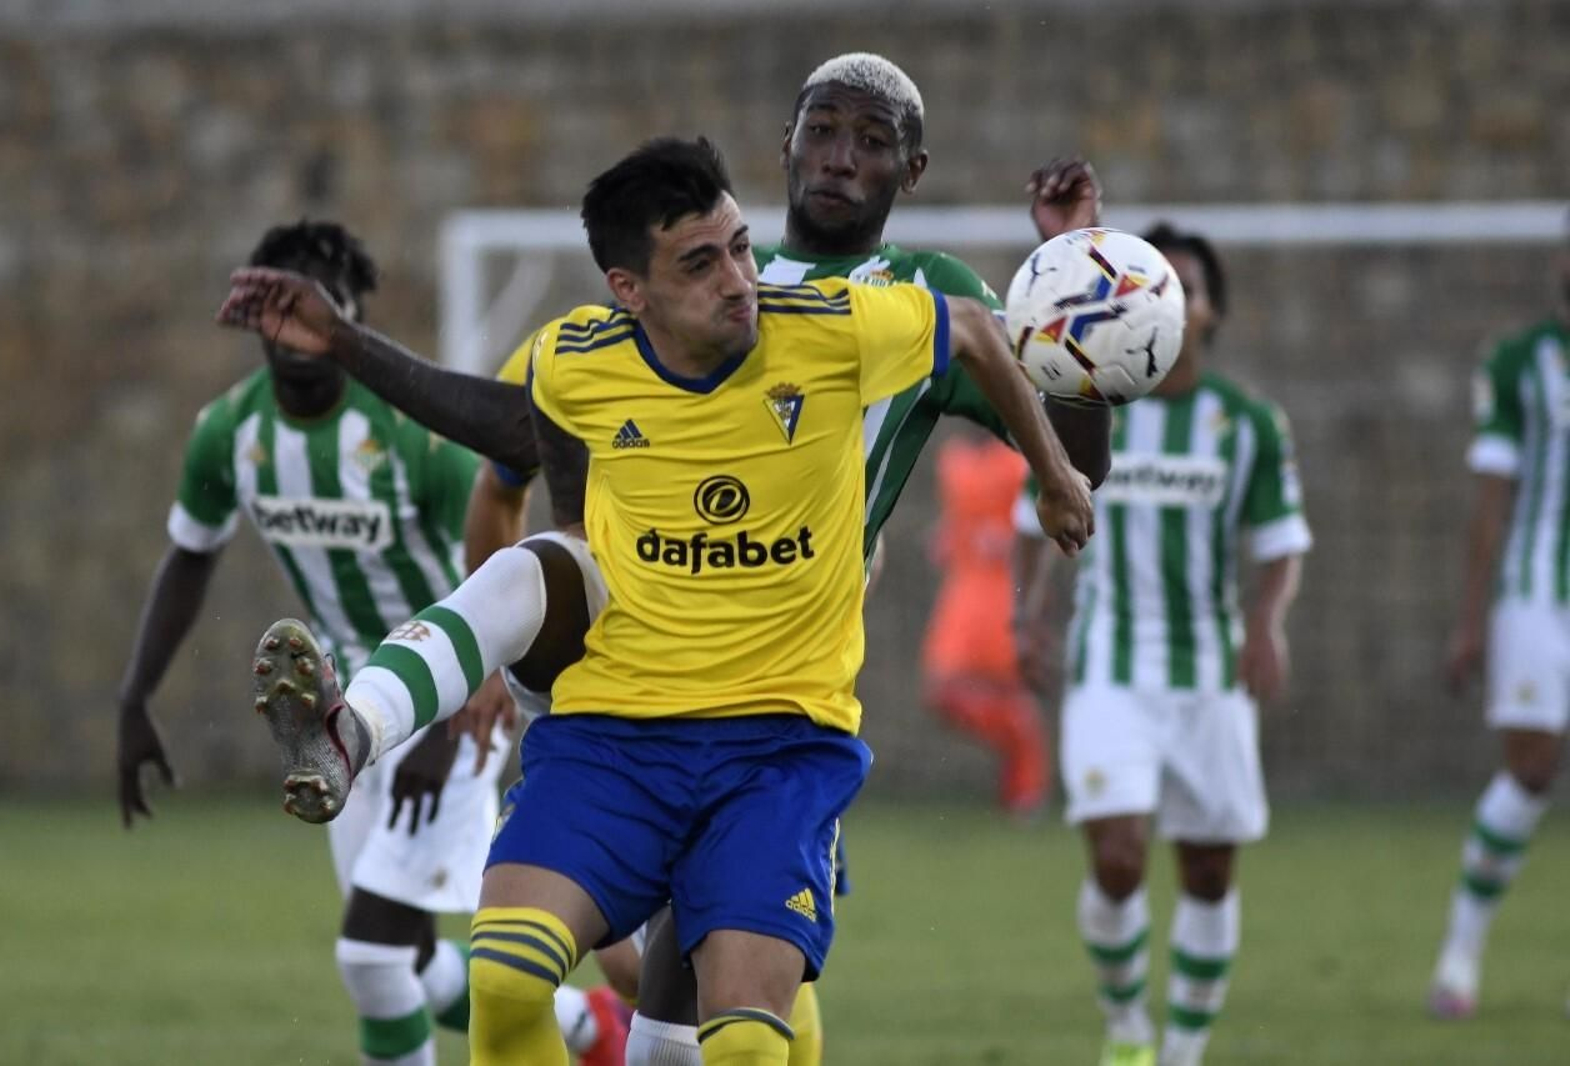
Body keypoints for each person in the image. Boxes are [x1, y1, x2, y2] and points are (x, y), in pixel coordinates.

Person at [217, 136, 1094, 1066]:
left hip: (777, 752)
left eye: (741, 247)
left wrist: (1052, 475)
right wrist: (347, 343)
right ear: (627, 289)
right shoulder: (577, 360)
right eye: (700, 263)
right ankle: (354, 730)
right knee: (506, 983)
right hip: (617, 742)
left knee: (732, 1046)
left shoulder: (835, 324)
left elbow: (979, 331)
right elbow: (505, 436)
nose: (739, 279)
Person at [118, 220, 627, 1066]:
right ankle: (592, 1029)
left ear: (345, 318)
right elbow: (189, 556)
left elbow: (497, 564)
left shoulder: (410, 437)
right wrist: (134, 698)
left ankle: (599, 1025)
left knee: (371, 955)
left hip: (453, 696)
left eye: (324, 306)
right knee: (409, 962)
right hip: (336, 709)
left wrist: (461, 710)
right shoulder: (230, 433)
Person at [1014, 222, 1311, 1066]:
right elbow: (1027, 524)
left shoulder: (1248, 423)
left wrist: (1267, 625)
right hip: (1108, 663)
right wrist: (1025, 616)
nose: (1174, 300)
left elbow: (1281, 540)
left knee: (1210, 871)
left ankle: (1182, 1049)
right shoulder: (1085, 409)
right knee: (1116, 856)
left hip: (1210, 674)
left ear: (1211, 312)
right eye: (1159, 284)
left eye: (1190, 287)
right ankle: (1125, 1030)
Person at [1428, 215, 1570, 1021]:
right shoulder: (1521, 362)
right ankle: (1461, 954)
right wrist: (1470, 619)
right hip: (1537, 593)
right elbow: (1490, 500)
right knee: (1530, 769)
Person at [923, 425, 1052, 815]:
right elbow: (956, 519)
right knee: (942, 691)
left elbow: (1036, 529)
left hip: (1002, 591)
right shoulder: (953, 457)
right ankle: (1017, 748)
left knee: (1010, 691)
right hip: (963, 590)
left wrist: (1034, 595)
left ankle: (1026, 794)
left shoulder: (1016, 463)